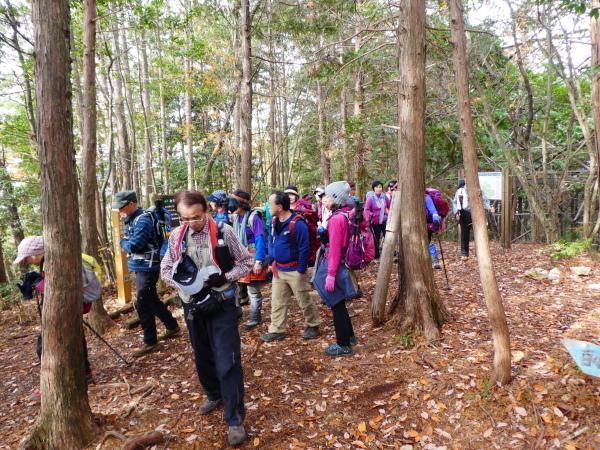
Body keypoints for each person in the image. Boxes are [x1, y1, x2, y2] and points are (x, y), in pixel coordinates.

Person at [160, 190, 252, 446]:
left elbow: (246, 261)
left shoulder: (224, 232)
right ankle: (214, 393)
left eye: (197, 217)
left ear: (206, 211)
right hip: (193, 306)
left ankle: (234, 418)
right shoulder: (177, 237)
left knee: (228, 359)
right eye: (186, 218)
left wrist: (226, 276)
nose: (192, 222)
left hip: (222, 305)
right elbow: (165, 268)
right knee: (202, 356)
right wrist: (184, 281)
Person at [13, 236, 97, 401]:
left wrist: (39, 283)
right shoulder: (53, 259)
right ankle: (85, 374)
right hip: (73, 306)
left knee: (43, 346)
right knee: (77, 337)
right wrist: (38, 283)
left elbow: (60, 290)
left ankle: (53, 383)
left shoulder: (55, 262)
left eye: (27, 257)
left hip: (65, 309)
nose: (28, 261)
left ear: (36, 254)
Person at [113, 190, 181, 356]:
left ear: (132, 204)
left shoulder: (143, 220)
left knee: (143, 303)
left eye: (121, 207)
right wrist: (127, 240)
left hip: (147, 267)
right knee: (151, 299)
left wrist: (123, 240)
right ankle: (172, 325)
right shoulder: (133, 220)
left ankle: (150, 341)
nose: (120, 211)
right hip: (141, 266)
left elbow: (134, 245)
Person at [260, 191, 321, 342]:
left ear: (280, 207)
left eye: (270, 204)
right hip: (278, 269)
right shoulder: (274, 221)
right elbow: (272, 242)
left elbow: (304, 248)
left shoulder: (297, 224)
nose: (268, 207)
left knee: (304, 300)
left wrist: (301, 269)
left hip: (295, 270)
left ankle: (313, 325)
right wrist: (271, 261)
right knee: (278, 301)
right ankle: (277, 329)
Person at [312, 181, 358, 357]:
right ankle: (350, 337)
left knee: (337, 305)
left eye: (328, 196)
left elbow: (336, 249)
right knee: (340, 304)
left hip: (336, 266)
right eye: (324, 196)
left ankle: (343, 345)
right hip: (341, 265)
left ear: (337, 199)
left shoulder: (337, 218)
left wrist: (330, 275)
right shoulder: (344, 214)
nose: (324, 199)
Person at [229, 189, 268, 329]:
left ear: (241, 206)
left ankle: (255, 318)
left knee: (253, 291)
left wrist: (258, 261)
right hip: (239, 258)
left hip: (251, 257)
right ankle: (238, 314)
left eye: (233, 204)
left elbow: (260, 240)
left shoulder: (254, 218)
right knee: (236, 288)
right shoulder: (235, 218)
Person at [452, 180, 495, 261]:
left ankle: (482, 253)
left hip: (476, 212)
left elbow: (484, 200)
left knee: (479, 233)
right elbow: (455, 202)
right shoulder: (460, 191)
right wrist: (456, 212)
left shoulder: (478, 189)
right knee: (465, 233)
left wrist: (489, 207)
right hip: (463, 213)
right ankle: (464, 253)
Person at [364, 180, 391, 262]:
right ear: (374, 189)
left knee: (388, 237)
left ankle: (389, 254)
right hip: (375, 221)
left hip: (384, 220)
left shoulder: (384, 197)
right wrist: (372, 215)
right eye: (377, 187)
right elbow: (366, 209)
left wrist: (390, 214)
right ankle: (376, 256)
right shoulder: (370, 198)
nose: (378, 189)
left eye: (380, 187)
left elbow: (390, 206)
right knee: (376, 238)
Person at [424, 194, 442, 269]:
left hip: (426, 222)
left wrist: (436, 221)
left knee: (428, 241)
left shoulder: (426, 198)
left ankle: (435, 261)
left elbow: (433, 211)